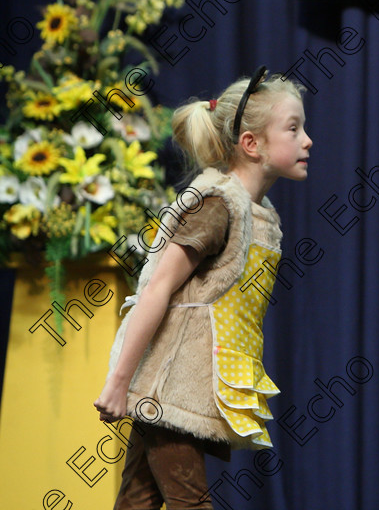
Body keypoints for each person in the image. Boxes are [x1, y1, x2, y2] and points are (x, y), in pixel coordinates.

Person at [94, 66, 312, 509]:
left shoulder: (260, 211)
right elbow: (156, 290)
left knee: (137, 499)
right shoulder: (217, 204)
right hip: (171, 387)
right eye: (294, 128)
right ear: (251, 144)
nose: (307, 140)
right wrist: (118, 383)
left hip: (187, 386)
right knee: (190, 503)